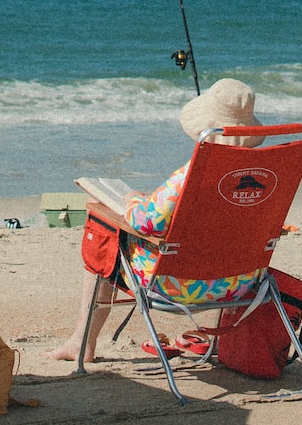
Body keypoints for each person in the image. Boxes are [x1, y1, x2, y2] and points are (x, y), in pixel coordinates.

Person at [45, 78, 268, 363]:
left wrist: (134, 201)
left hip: (179, 284)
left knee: (102, 230)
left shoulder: (195, 174)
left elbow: (146, 223)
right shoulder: (266, 176)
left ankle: (81, 342)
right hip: (243, 283)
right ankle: (81, 342)